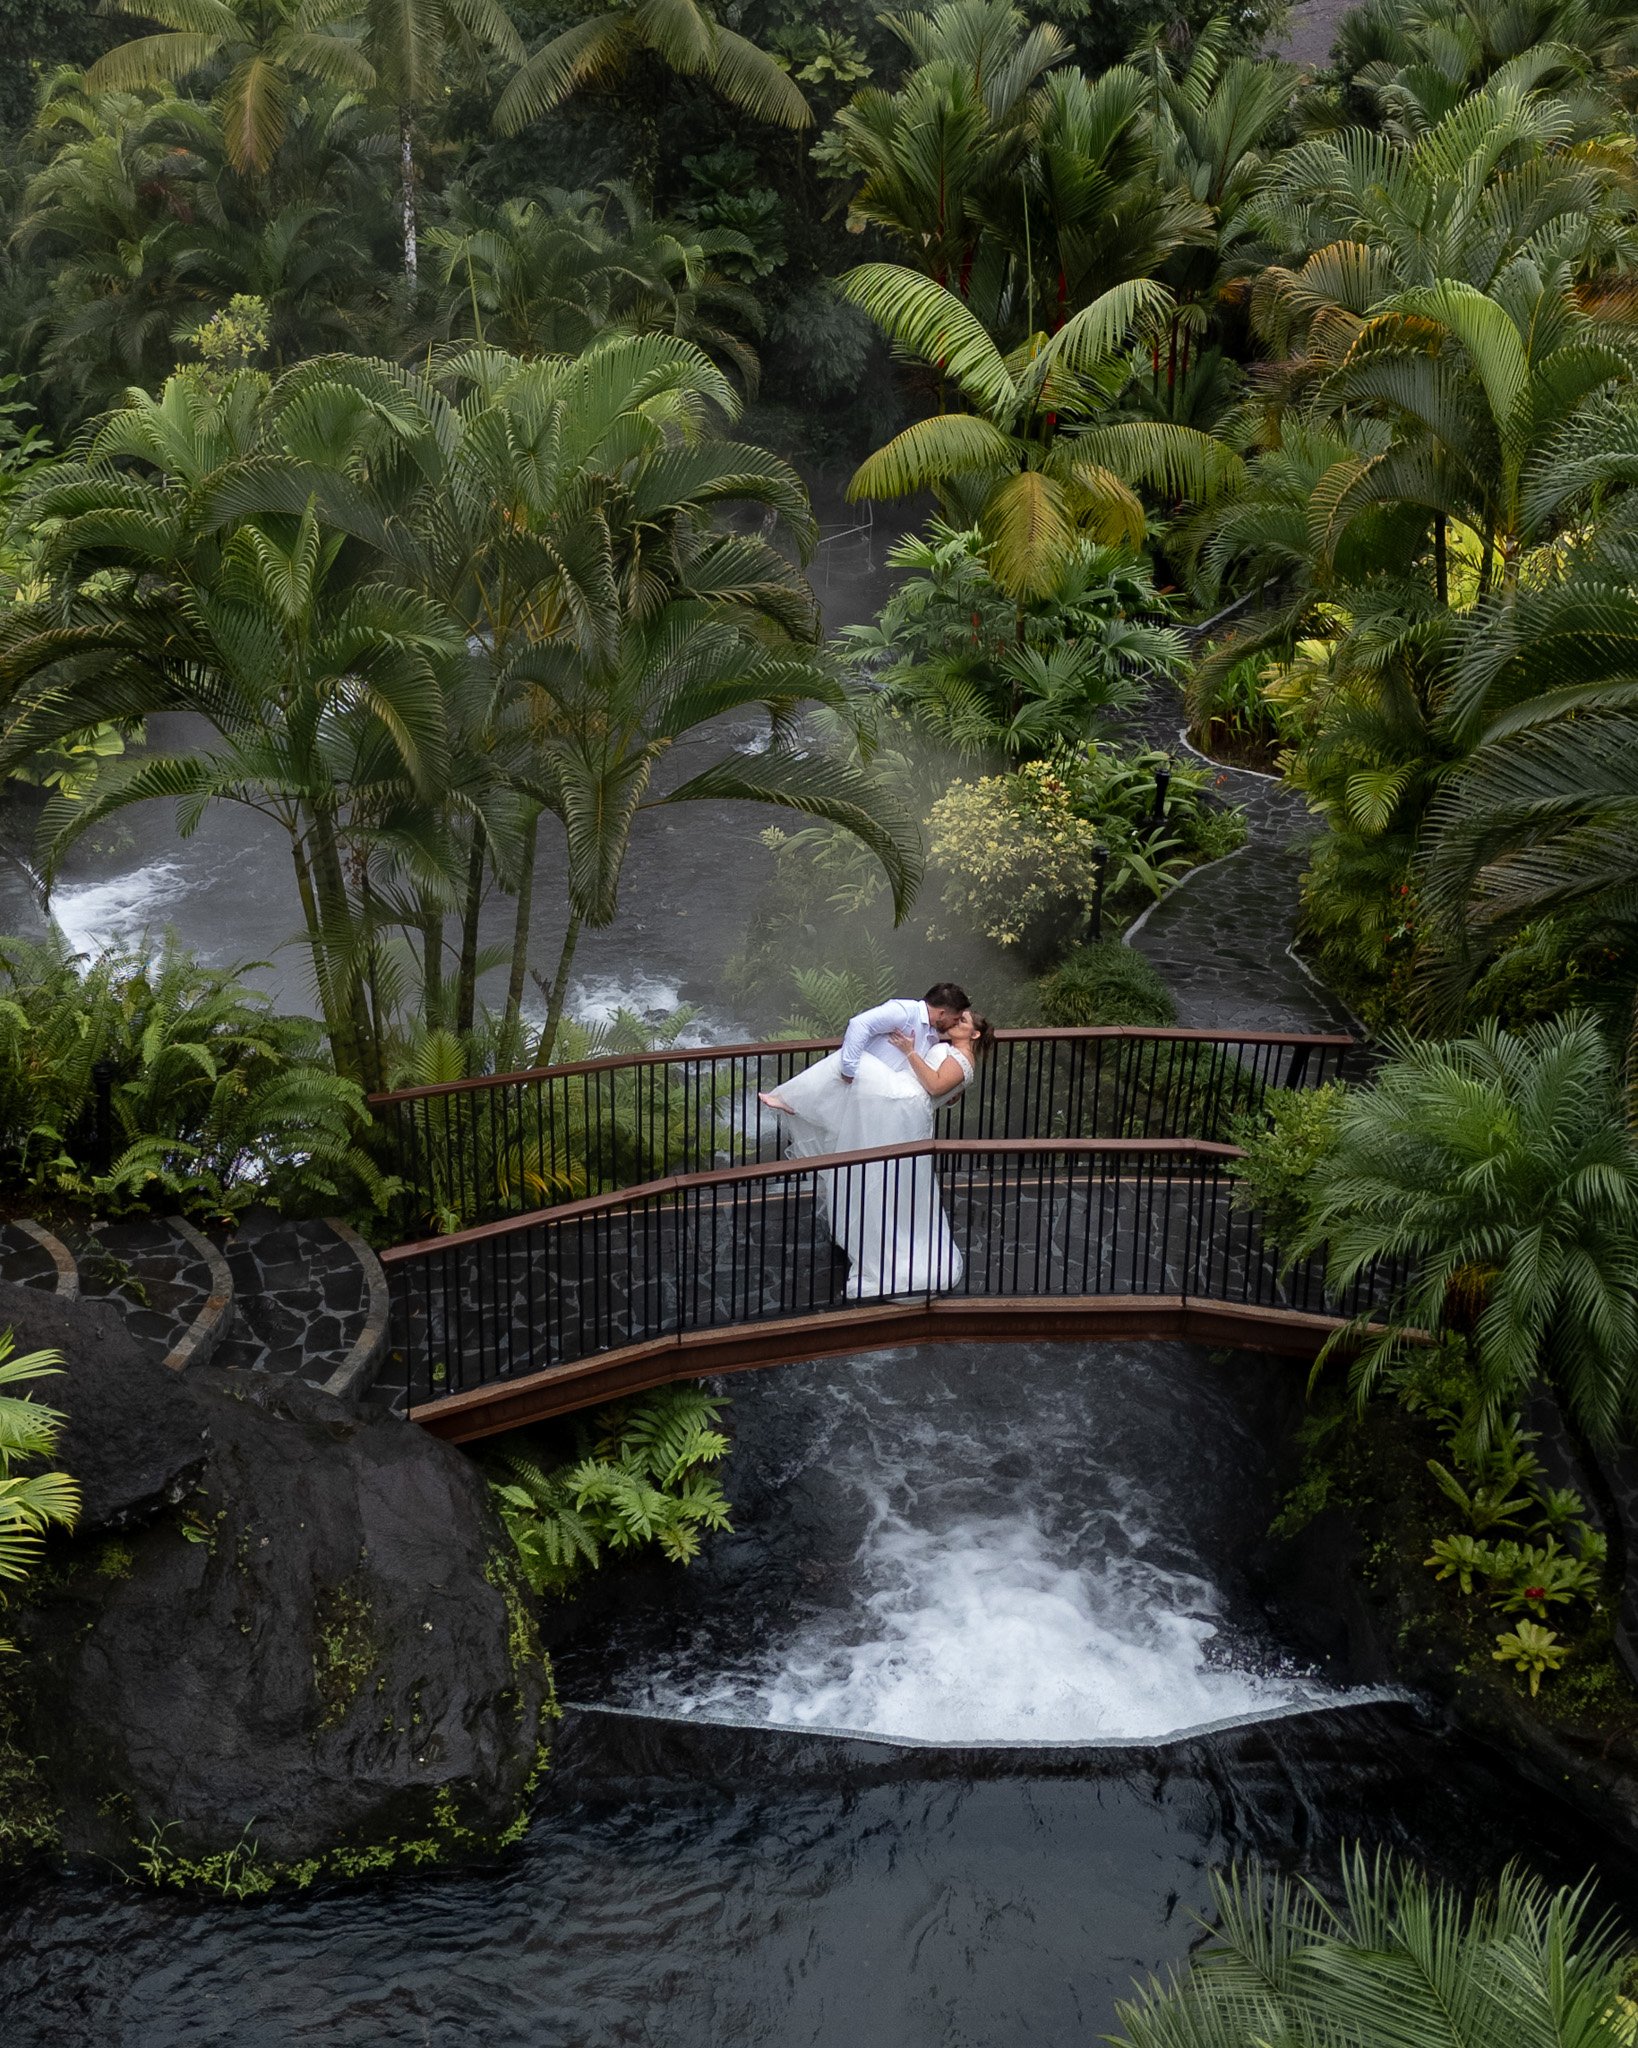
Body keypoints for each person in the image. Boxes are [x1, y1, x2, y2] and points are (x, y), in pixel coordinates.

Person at [760, 995, 994, 1298]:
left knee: (857, 1063)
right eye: (957, 1016)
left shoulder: (963, 1059)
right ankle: (794, 1102)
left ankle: (791, 1100)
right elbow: (949, 1093)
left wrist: (909, 1052)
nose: (956, 1021)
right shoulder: (952, 1050)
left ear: (974, 1034)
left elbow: (935, 1086)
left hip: (905, 1103)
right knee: (877, 1172)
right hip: (904, 1103)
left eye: (963, 1021)